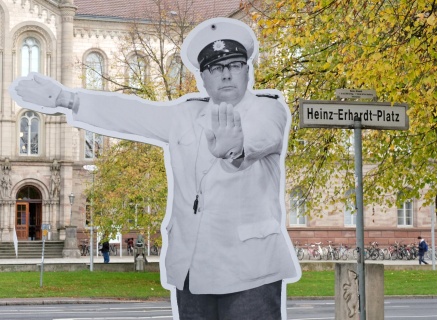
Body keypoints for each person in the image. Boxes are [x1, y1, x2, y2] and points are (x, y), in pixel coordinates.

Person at [11, 17, 300, 319]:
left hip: (251, 269)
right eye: (216, 68)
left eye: (235, 65)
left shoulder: (267, 108)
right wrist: (66, 99)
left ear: (247, 70)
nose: (226, 74)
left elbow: (262, 137)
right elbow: (133, 113)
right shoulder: (185, 116)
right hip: (193, 271)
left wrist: (234, 149)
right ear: (203, 76)